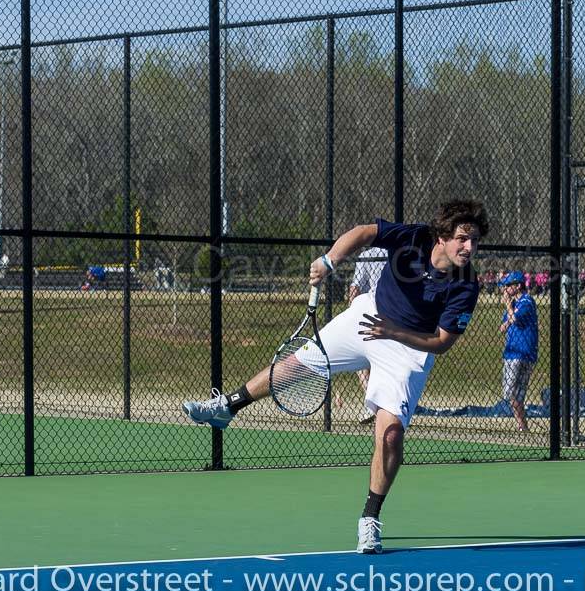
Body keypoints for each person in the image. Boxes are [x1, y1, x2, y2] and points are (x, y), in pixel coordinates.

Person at [182, 199, 488, 555]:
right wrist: (328, 261)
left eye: (475, 241)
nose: (470, 248)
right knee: (295, 365)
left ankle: (370, 519)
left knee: (390, 436)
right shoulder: (413, 238)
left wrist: (394, 333)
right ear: (442, 237)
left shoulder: (466, 285)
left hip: (409, 348)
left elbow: (441, 343)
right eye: (463, 239)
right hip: (370, 315)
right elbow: (362, 234)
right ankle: (228, 406)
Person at [345, 246, 388, 425]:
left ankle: (375, 404)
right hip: (396, 312)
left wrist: (351, 309)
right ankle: (381, 404)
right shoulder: (397, 251)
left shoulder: (366, 255)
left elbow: (355, 286)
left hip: (372, 311)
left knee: (361, 359)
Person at [497, 270, 538, 432]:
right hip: (511, 351)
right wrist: (509, 310)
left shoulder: (527, 302)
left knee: (514, 393)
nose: (505, 290)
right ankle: (522, 425)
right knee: (511, 393)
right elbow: (503, 327)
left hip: (523, 352)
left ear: (518, 286)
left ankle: (522, 425)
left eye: (508, 286)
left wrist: (508, 305)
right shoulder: (513, 305)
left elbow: (514, 319)